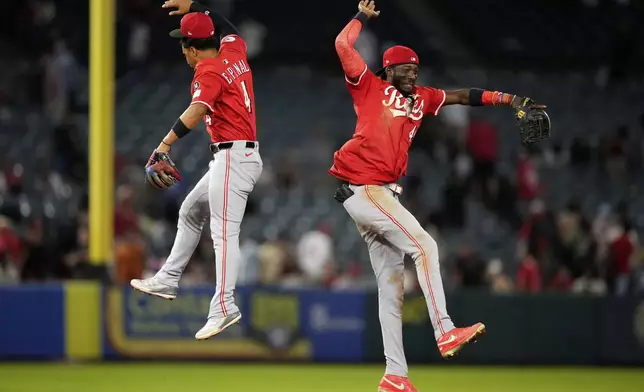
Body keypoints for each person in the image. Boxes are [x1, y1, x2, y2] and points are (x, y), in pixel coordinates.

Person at [330, 2, 545, 391]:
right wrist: (361, 16)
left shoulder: (422, 98)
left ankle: (395, 375)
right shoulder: (369, 85)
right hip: (368, 188)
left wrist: (510, 99)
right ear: (388, 70)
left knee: (391, 288)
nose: (412, 73)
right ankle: (444, 330)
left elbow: (464, 96)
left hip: (375, 194)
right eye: (404, 69)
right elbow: (342, 44)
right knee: (426, 246)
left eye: (415, 69)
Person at [130, 0, 262, 341]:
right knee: (190, 211)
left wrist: (164, 144)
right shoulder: (234, 52)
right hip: (233, 157)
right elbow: (229, 29)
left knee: (223, 234)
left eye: (184, 46)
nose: (183, 53)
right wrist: (197, 7)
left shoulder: (208, 70)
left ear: (191, 49)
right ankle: (168, 279)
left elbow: (197, 108)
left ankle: (224, 306)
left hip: (233, 157)